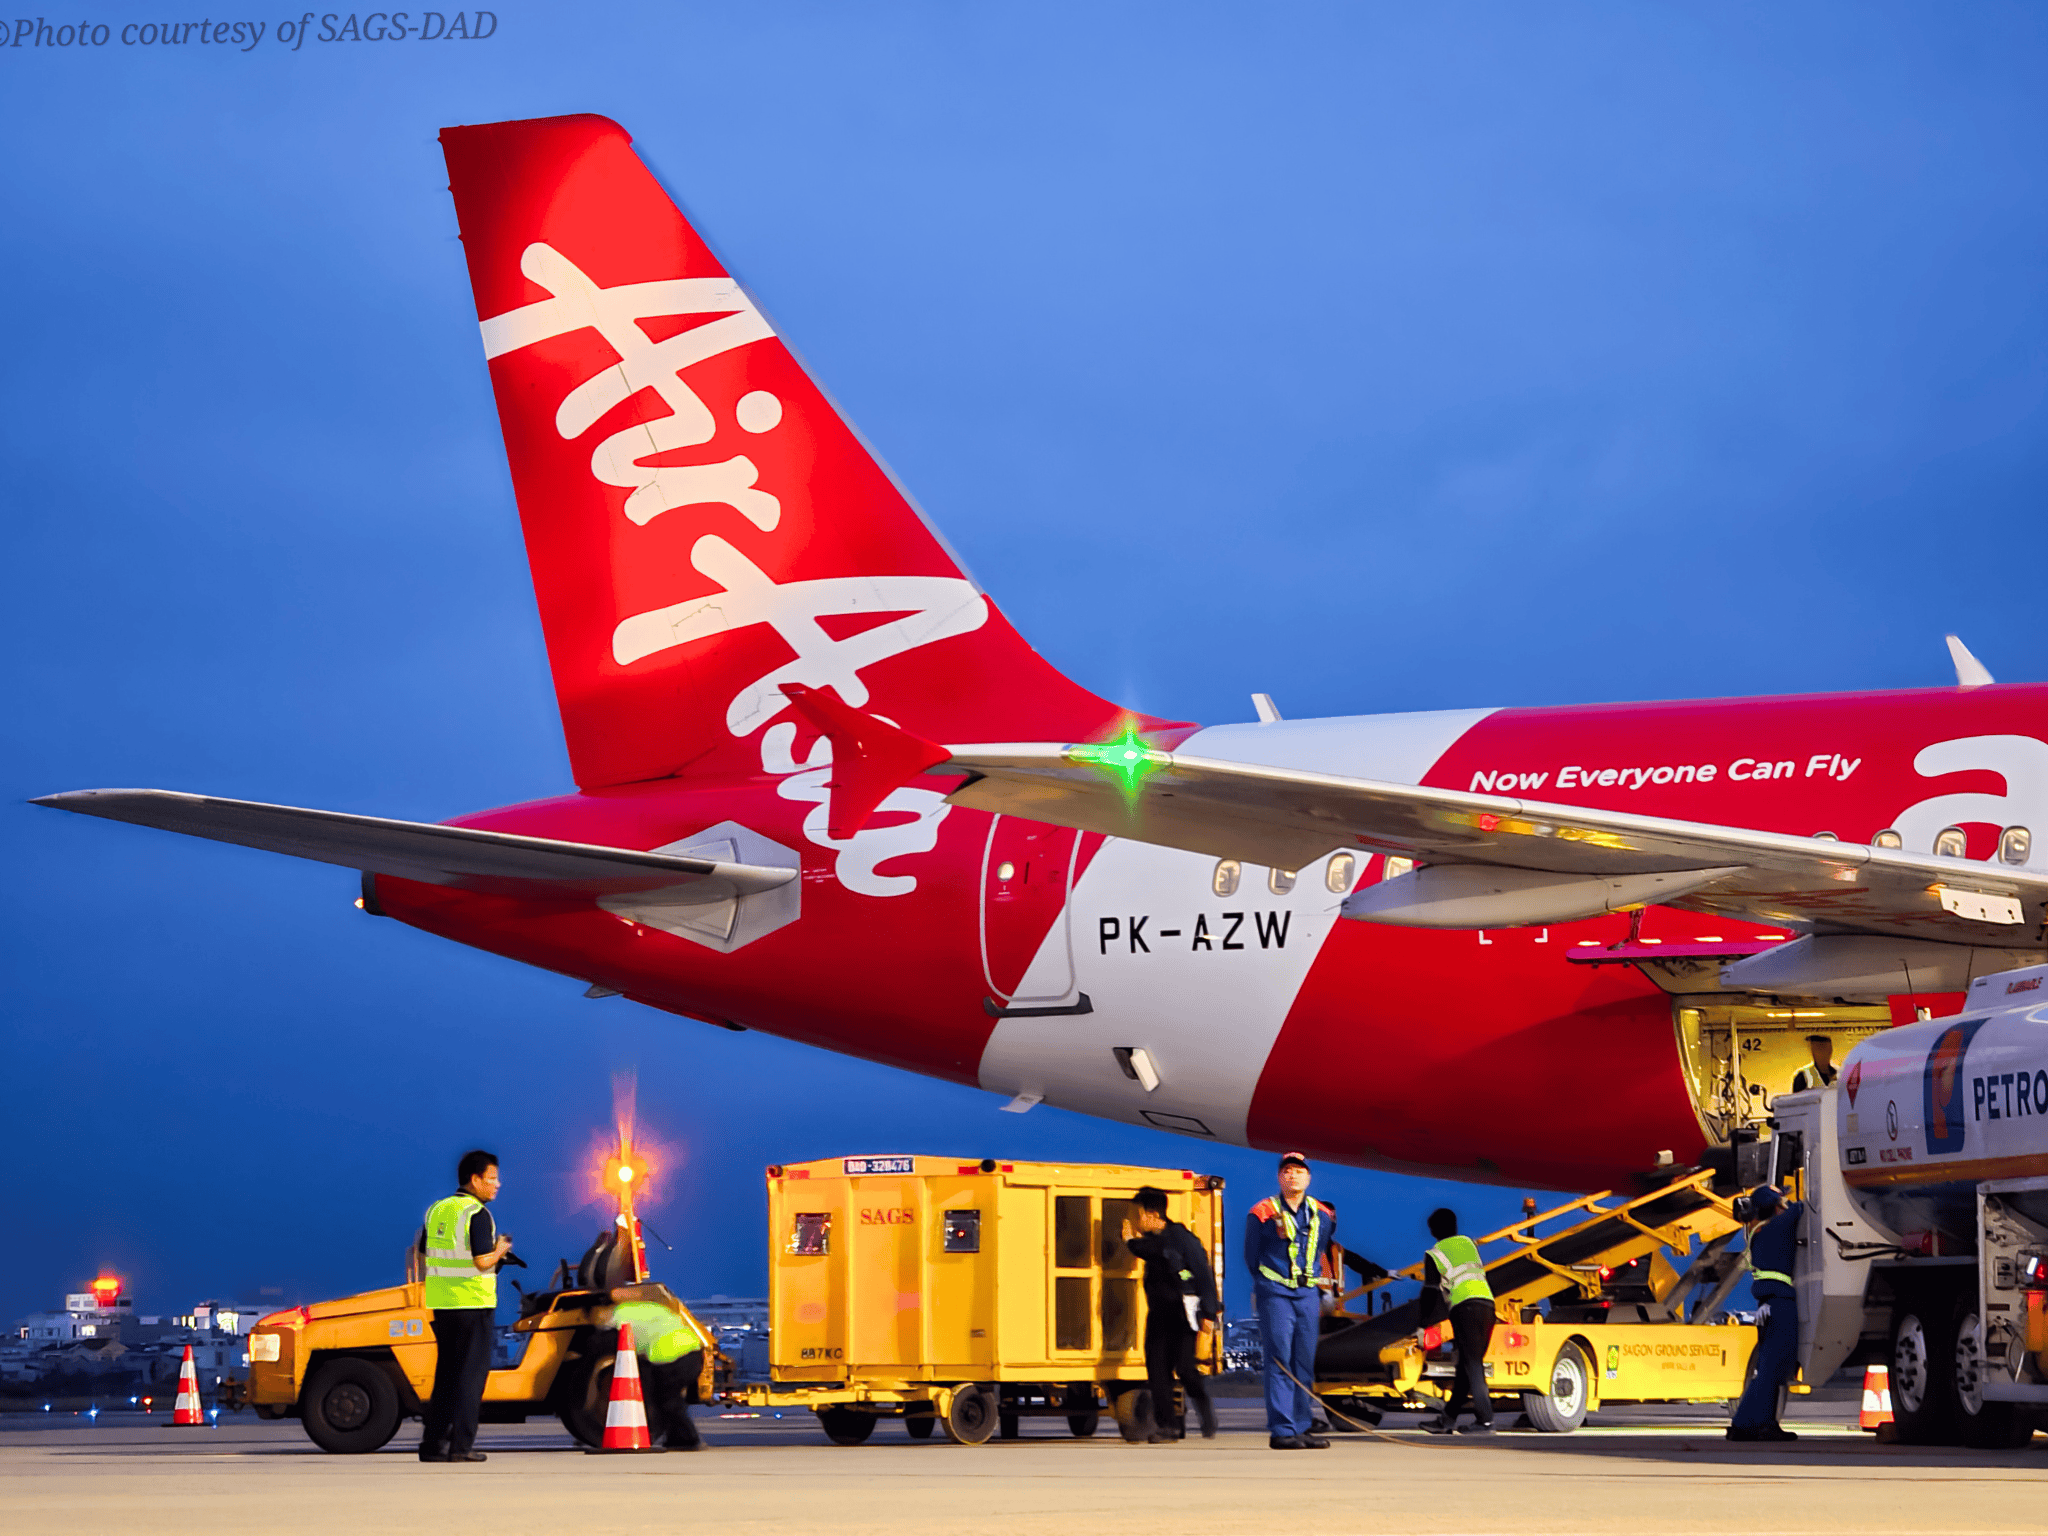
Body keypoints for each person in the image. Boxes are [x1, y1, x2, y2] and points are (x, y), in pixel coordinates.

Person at [417, 1149, 514, 1463]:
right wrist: (501, 1250)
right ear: (475, 1179)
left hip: (443, 1304)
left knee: (446, 1375)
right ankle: (461, 1446)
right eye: (492, 1178)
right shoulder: (477, 1213)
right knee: (471, 1378)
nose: (497, 1184)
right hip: (473, 1304)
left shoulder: (437, 1210)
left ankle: (432, 1445)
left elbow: (424, 1251)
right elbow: (482, 1261)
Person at [1244, 1152, 1338, 1449]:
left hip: (1307, 1293)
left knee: (1304, 1361)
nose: (1292, 1175)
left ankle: (1302, 1426)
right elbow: (1251, 1254)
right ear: (1279, 1178)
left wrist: (1320, 1287)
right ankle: (1283, 1430)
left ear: (1308, 1178)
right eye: (1287, 1171)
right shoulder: (1262, 1212)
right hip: (1276, 1292)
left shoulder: (1322, 1213)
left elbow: (1321, 1249)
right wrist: (1267, 1284)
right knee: (1280, 1360)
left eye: (1298, 1171)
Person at [1122, 1185, 1221, 1443]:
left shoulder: (1181, 1238)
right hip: (1158, 1314)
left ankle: (1207, 1417)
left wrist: (1209, 1312)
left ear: (1153, 1214)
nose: (1135, 1220)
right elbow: (1148, 1249)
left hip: (1182, 1313)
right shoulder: (1155, 1239)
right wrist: (1131, 1242)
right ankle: (1168, 1427)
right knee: (1157, 1371)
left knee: (1185, 1369)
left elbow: (1203, 1275)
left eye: (1137, 1215)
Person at [1728, 1184, 1804, 1442]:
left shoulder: (1760, 1231)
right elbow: (1801, 1209)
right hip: (1779, 1303)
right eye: (1780, 1200)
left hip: (1768, 1303)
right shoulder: (1777, 1227)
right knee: (1773, 1368)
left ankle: (1762, 1423)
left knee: (1772, 1367)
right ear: (1774, 1205)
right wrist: (1786, 1203)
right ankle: (1747, 1423)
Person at [1419, 1207, 1496, 1435]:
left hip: (1465, 1307)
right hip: (1487, 1304)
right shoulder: (1468, 1243)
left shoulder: (1435, 1253)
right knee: (1466, 1365)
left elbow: (1430, 1291)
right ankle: (1447, 1419)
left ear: (1434, 1229)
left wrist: (1423, 1324)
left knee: (1472, 1364)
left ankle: (1486, 1422)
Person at [610, 1299, 710, 1450]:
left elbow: (626, 1346)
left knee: (668, 1400)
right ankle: (676, 1438)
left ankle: (688, 1439)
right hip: (692, 1352)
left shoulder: (618, 1317)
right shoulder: (645, 1307)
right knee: (668, 1398)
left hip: (672, 1356)